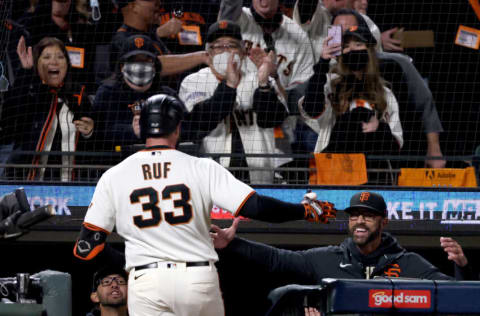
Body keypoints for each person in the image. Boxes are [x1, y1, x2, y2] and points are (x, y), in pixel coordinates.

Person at [73, 93, 337, 316]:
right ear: (177, 127)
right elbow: (256, 207)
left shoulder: (115, 175)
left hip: (146, 281)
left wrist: (139, 260)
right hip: (196, 278)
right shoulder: (200, 167)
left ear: (141, 127)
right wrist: (304, 210)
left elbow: (86, 249)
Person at [212, 191, 475, 282]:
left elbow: (457, 295)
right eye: (354, 215)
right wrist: (233, 243)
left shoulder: (410, 263)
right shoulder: (328, 259)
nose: (360, 221)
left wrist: (462, 266)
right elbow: (276, 259)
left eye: (368, 216)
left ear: (383, 221)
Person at [331, 9, 445, 167]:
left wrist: (434, 149)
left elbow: (424, 103)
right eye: (339, 32)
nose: (345, 35)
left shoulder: (396, 65)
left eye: (350, 30)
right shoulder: (328, 73)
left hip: (395, 154)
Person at [179, 20, 288, 184]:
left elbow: (272, 119)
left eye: (231, 46)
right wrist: (229, 85)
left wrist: (264, 83)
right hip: (211, 179)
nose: (225, 51)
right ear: (208, 53)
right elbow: (200, 121)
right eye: (218, 47)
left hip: (258, 177)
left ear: (243, 52)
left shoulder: (257, 78)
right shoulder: (194, 81)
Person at [1, 36, 94, 181]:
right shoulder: (28, 93)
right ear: (37, 63)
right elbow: (9, 126)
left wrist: (90, 133)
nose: (54, 61)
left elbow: (95, 144)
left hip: (72, 186)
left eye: (60, 57)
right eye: (46, 57)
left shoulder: (79, 95)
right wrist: (25, 72)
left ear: (67, 63)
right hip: (28, 184)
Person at [299, 25, 402, 156]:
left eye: (358, 44)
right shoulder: (330, 85)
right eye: (346, 46)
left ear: (369, 51)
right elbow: (311, 109)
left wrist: (379, 127)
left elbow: (396, 143)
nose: (351, 49)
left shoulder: (385, 93)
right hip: (334, 165)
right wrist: (322, 63)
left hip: (372, 168)